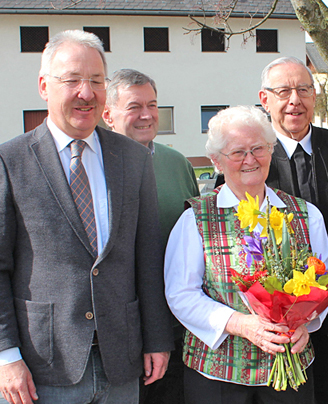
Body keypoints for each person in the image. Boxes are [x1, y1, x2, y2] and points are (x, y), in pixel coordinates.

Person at [0, 30, 174, 404]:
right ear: (44, 86)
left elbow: (148, 257)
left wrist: (157, 338)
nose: (86, 92)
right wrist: (5, 355)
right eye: (73, 80)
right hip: (44, 367)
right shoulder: (9, 162)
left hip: (122, 360)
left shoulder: (133, 159)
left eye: (96, 81)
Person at [164, 105, 328, 404]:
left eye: (258, 148)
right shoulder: (195, 218)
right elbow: (181, 293)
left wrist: (306, 324)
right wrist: (240, 324)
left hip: (290, 374)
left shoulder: (306, 214)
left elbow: (324, 281)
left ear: (271, 150)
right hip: (217, 379)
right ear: (217, 161)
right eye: (237, 152)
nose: (250, 160)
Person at [258, 56, 328, 404]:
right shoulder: (252, 154)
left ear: (315, 96)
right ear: (264, 99)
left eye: (303, 90)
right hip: (276, 327)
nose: (294, 101)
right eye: (283, 92)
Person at [103, 68, 200, 404]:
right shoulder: (96, 168)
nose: (146, 115)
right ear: (109, 115)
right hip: (123, 336)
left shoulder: (177, 164)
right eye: (134, 107)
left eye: (152, 105)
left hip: (178, 329)